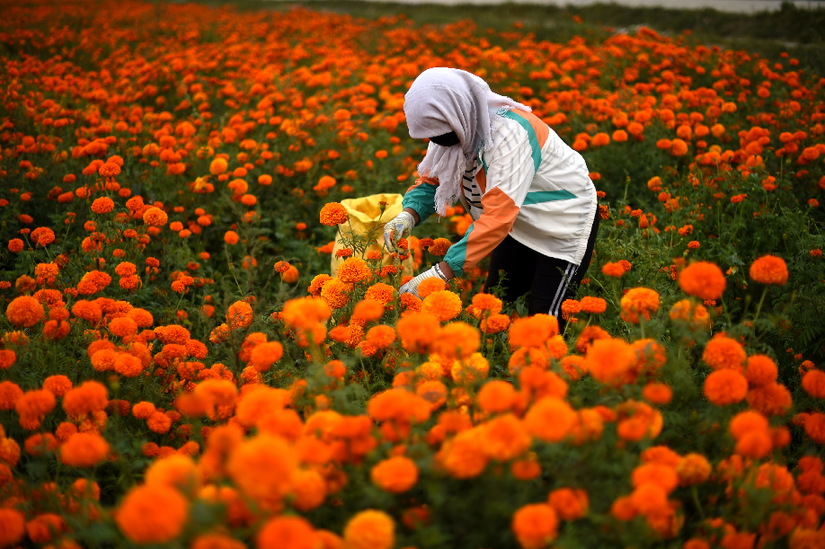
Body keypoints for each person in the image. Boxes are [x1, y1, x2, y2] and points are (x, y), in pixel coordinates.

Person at [384, 67, 599, 332]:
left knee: (545, 319)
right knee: (494, 304)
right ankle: (496, 364)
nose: (436, 142)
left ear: (457, 111)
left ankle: (546, 369)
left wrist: (442, 272)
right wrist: (408, 214)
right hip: (512, 222)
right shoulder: (451, 129)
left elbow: (498, 216)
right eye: (430, 135)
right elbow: (434, 180)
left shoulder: (509, 135)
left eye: (439, 133)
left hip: (560, 222)